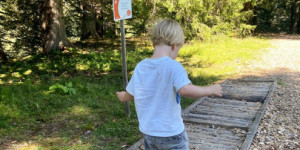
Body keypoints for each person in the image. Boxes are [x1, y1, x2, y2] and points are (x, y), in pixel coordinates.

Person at [116, 19, 222, 150]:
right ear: (174, 46)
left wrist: (122, 96)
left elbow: (131, 94)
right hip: (171, 134)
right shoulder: (173, 66)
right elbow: (185, 90)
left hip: (149, 133)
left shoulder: (141, 66)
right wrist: (210, 89)